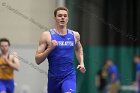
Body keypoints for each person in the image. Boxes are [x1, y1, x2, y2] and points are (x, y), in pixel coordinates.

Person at [35, 7, 86, 93]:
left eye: (65, 16)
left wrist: (81, 63)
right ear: (55, 18)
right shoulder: (47, 35)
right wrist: (49, 49)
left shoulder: (75, 35)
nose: (62, 17)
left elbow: (79, 48)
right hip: (53, 78)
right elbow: (37, 60)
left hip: (69, 76)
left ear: (68, 19)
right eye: (60, 15)